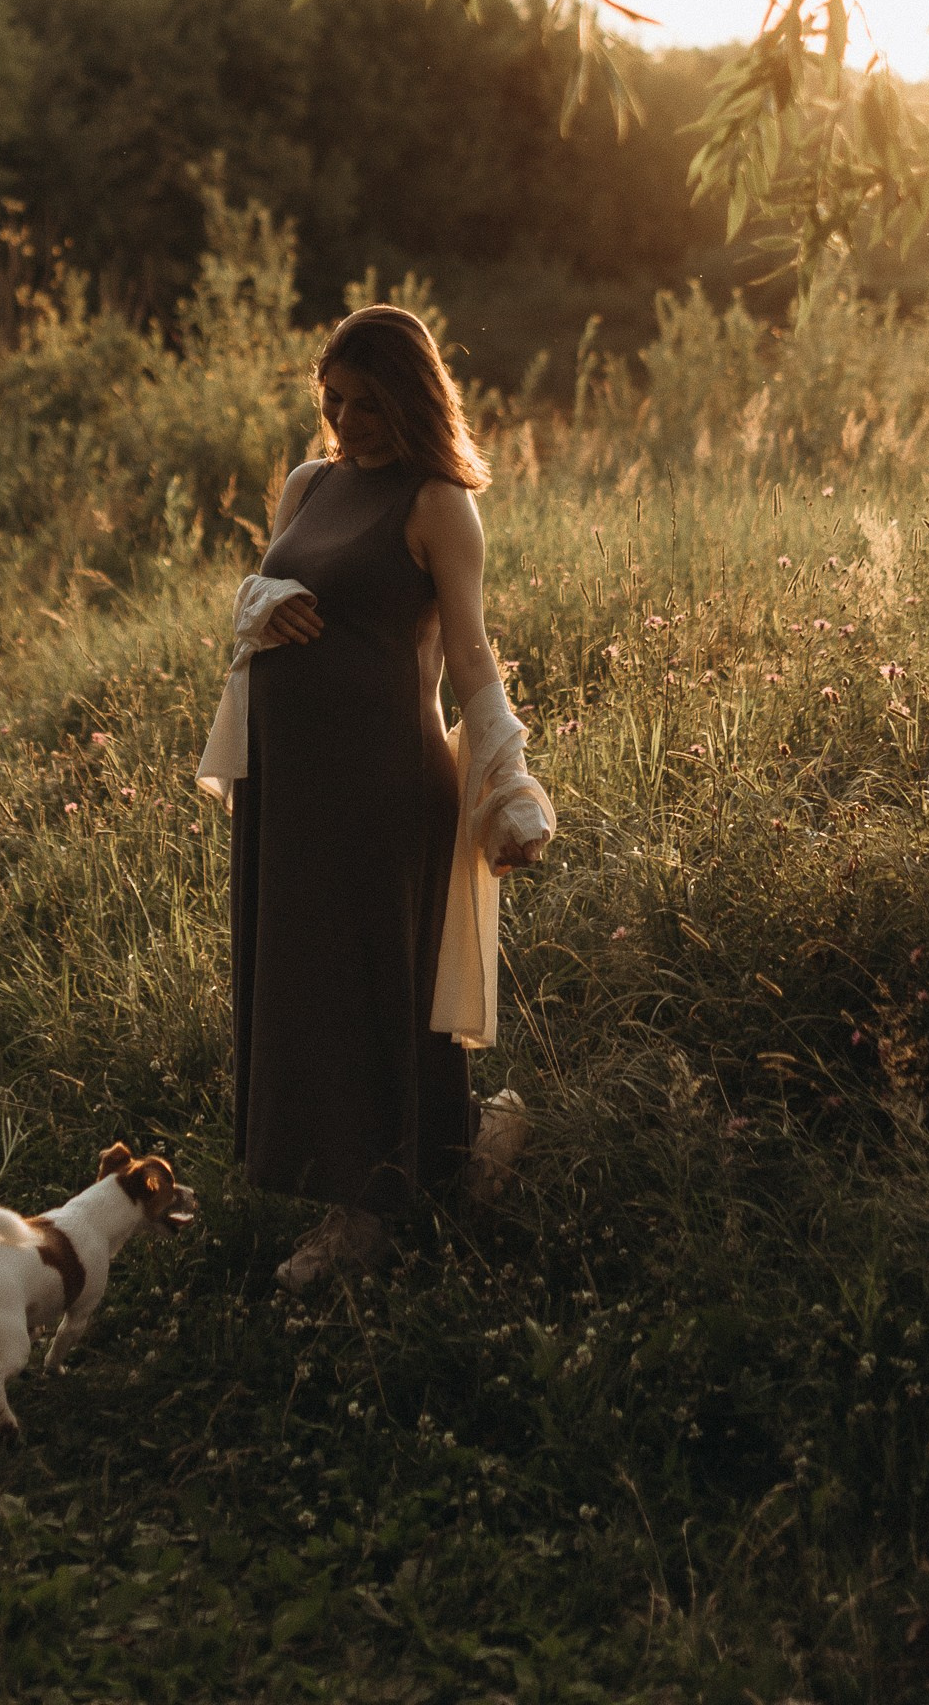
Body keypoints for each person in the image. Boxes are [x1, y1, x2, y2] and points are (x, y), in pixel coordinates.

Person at [218, 304, 548, 1290]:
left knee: (372, 992)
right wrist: (259, 604)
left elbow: (470, 657)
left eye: (366, 403)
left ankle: (367, 1213)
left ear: (411, 399)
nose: (345, 420)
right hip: (290, 788)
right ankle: (450, 1150)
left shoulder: (439, 503)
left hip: (382, 789)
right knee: (305, 984)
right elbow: (260, 598)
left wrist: (511, 788)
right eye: (333, 400)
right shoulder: (309, 484)